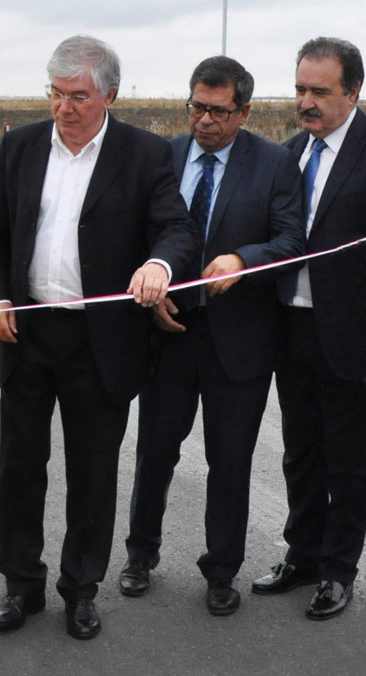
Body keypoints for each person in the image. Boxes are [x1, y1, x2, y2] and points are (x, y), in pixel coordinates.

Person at [0, 35, 199, 640]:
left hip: (100, 341)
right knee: (22, 469)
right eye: (55, 94)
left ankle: (81, 589)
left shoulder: (146, 154)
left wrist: (158, 266)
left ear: (110, 94)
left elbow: (176, 229)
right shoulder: (20, 147)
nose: (64, 108)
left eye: (77, 96)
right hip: (27, 332)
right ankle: (20, 586)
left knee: (94, 471)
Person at [117, 56, 305, 615]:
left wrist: (242, 259)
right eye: (196, 106)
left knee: (230, 462)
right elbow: (137, 235)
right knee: (154, 452)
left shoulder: (275, 165)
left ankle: (222, 570)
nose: (204, 120)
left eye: (218, 111)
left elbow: (292, 241)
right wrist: (153, 296)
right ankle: (139, 555)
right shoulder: (163, 158)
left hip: (238, 341)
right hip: (168, 333)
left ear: (243, 111)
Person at [251, 37, 366, 621]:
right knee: (300, 452)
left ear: (353, 92)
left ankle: (338, 570)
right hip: (290, 327)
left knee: (348, 459)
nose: (306, 101)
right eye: (299, 89)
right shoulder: (289, 154)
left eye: (320, 91)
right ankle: (302, 554)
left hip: (351, 336)